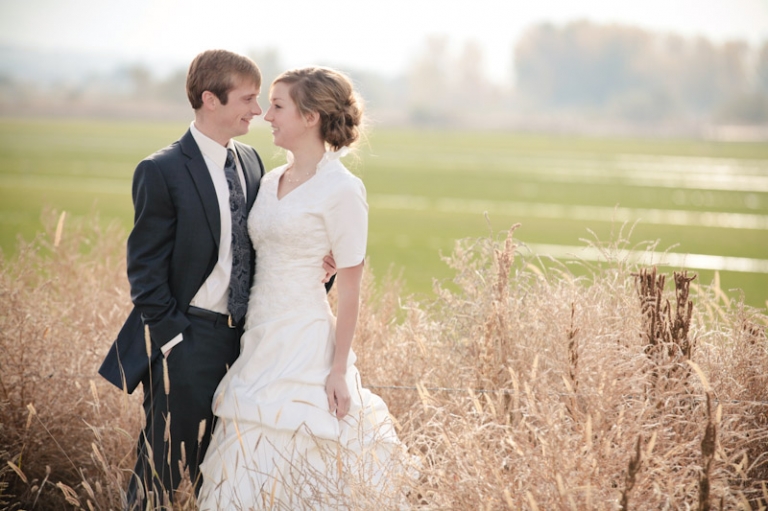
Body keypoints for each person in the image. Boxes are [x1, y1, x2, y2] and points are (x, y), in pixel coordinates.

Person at [97, 50, 336, 508]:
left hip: (250, 347)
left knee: (227, 475)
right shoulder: (161, 170)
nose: (257, 111)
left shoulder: (250, 163)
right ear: (211, 99)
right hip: (187, 341)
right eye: (247, 99)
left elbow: (262, 250)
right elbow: (144, 272)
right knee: (161, 474)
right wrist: (173, 342)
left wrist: (313, 275)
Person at [197, 67, 408, 509]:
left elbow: (351, 290)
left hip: (304, 341)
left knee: (304, 454)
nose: (265, 115)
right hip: (257, 339)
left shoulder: (343, 189)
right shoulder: (270, 180)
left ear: (310, 116)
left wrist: (336, 369)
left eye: (277, 106)